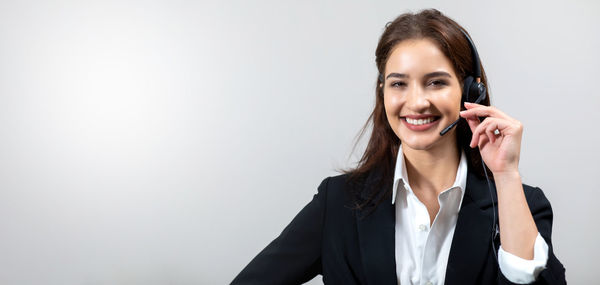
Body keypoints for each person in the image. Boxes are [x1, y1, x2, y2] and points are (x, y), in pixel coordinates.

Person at [231, 9, 566, 285]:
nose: (416, 102)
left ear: (469, 92)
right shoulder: (339, 204)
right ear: (383, 92)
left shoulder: (521, 203)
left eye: (436, 82)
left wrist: (505, 175)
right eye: (399, 84)